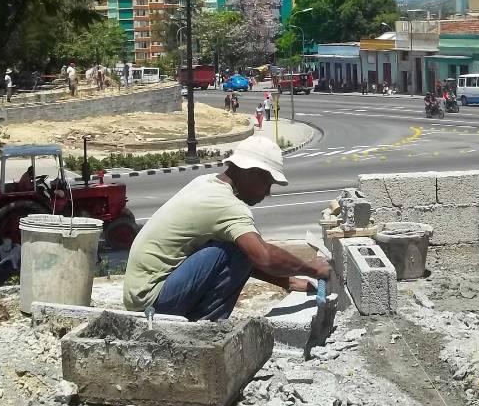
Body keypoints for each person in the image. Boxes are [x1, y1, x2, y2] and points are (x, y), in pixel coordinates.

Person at [122, 137, 331, 321]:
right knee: (240, 249)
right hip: (154, 301)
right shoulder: (229, 206)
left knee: (237, 246)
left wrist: (291, 282)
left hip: (140, 296)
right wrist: (314, 269)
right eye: (267, 182)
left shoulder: (205, 182)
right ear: (250, 173)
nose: (268, 192)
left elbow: (247, 259)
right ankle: (203, 331)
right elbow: (263, 257)